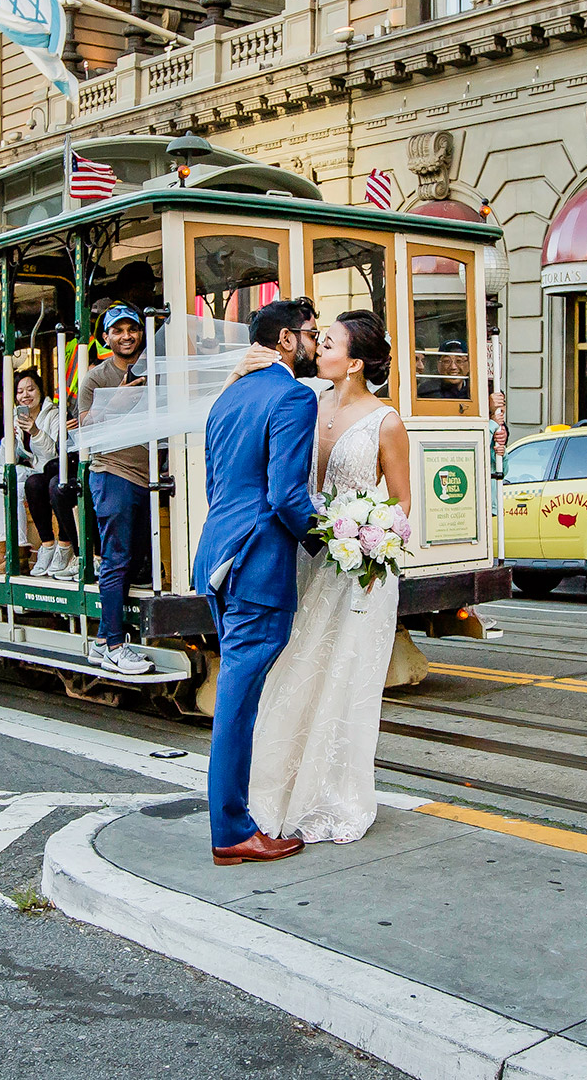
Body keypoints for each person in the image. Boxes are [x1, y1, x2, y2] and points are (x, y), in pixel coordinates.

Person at [245, 311, 411, 846]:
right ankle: (280, 789)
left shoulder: (386, 421)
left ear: (355, 362)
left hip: (358, 572)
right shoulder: (308, 404)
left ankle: (332, 794)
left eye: (329, 341)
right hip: (310, 559)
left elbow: (404, 503)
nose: (317, 346)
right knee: (295, 670)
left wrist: (374, 539)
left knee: (342, 679)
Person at [192, 297, 321, 867]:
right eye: (312, 333)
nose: (316, 343)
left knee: (235, 698)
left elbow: (217, 486)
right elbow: (287, 496)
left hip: (220, 556)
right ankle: (231, 831)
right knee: (237, 704)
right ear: (288, 340)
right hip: (257, 564)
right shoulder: (293, 395)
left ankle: (234, 823)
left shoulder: (227, 397)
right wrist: (334, 543)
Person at [77, 305, 157, 675]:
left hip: (150, 476)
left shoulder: (155, 368)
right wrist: (116, 402)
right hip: (113, 473)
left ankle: (104, 641)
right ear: (105, 338)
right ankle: (111, 643)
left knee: (136, 561)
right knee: (117, 559)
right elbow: (84, 428)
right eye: (118, 330)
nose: (127, 336)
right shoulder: (95, 377)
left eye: (133, 329)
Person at [13, 369, 78, 579]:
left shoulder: (55, 414)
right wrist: (12, 439)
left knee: (55, 484)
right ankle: (47, 545)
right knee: (32, 483)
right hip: (37, 473)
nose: (26, 395)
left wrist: (34, 432)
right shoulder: (15, 417)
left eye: (30, 389)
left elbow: (55, 454)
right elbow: (10, 457)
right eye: (20, 391)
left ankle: (64, 545)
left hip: (57, 469)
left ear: (41, 391)